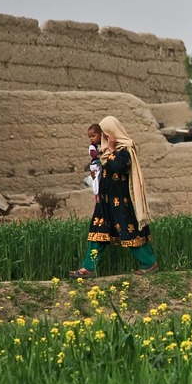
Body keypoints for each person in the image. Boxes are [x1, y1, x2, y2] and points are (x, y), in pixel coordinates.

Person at [70, 116, 159, 278]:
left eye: (105, 134)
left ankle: (149, 263)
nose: (103, 137)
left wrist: (111, 150)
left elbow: (119, 166)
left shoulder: (125, 150)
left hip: (121, 203)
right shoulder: (102, 152)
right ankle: (88, 267)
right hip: (104, 202)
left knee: (130, 233)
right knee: (97, 233)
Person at [85, 123, 103, 195]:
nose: (91, 139)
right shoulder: (92, 146)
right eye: (89, 137)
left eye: (93, 136)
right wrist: (99, 156)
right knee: (97, 178)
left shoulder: (103, 144)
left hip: (101, 163)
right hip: (96, 163)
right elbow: (93, 154)